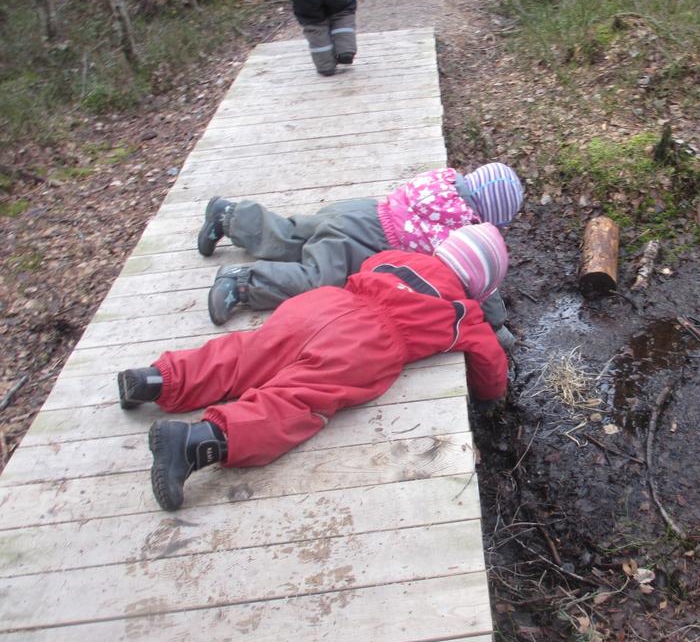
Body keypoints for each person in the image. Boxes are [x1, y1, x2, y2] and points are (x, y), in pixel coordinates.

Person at [117, 224, 509, 512]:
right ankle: (197, 442)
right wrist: (492, 399)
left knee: (245, 352)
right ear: (479, 285)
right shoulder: (464, 313)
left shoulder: (398, 258)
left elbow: (371, 263)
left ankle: (155, 380)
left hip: (322, 305)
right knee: (299, 397)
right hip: (365, 344)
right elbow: (489, 361)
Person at [197, 163, 524, 341]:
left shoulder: (445, 182)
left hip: (358, 212)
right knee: (317, 278)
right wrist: (498, 325)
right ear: (489, 215)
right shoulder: (459, 227)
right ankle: (243, 284)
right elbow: (479, 284)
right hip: (360, 243)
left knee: (290, 236)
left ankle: (230, 217)